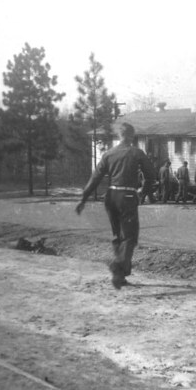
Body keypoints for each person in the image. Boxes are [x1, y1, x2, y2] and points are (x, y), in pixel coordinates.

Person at [76, 122, 155, 289]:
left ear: (119, 136)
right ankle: (118, 269)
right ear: (132, 136)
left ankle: (121, 275)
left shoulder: (109, 154)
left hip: (111, 196)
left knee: (117, 236)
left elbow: (95, 178)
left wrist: (83, 199)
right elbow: (151, 175)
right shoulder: (137, 153)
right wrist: (143, 192)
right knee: (129, 237)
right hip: (127, 195)